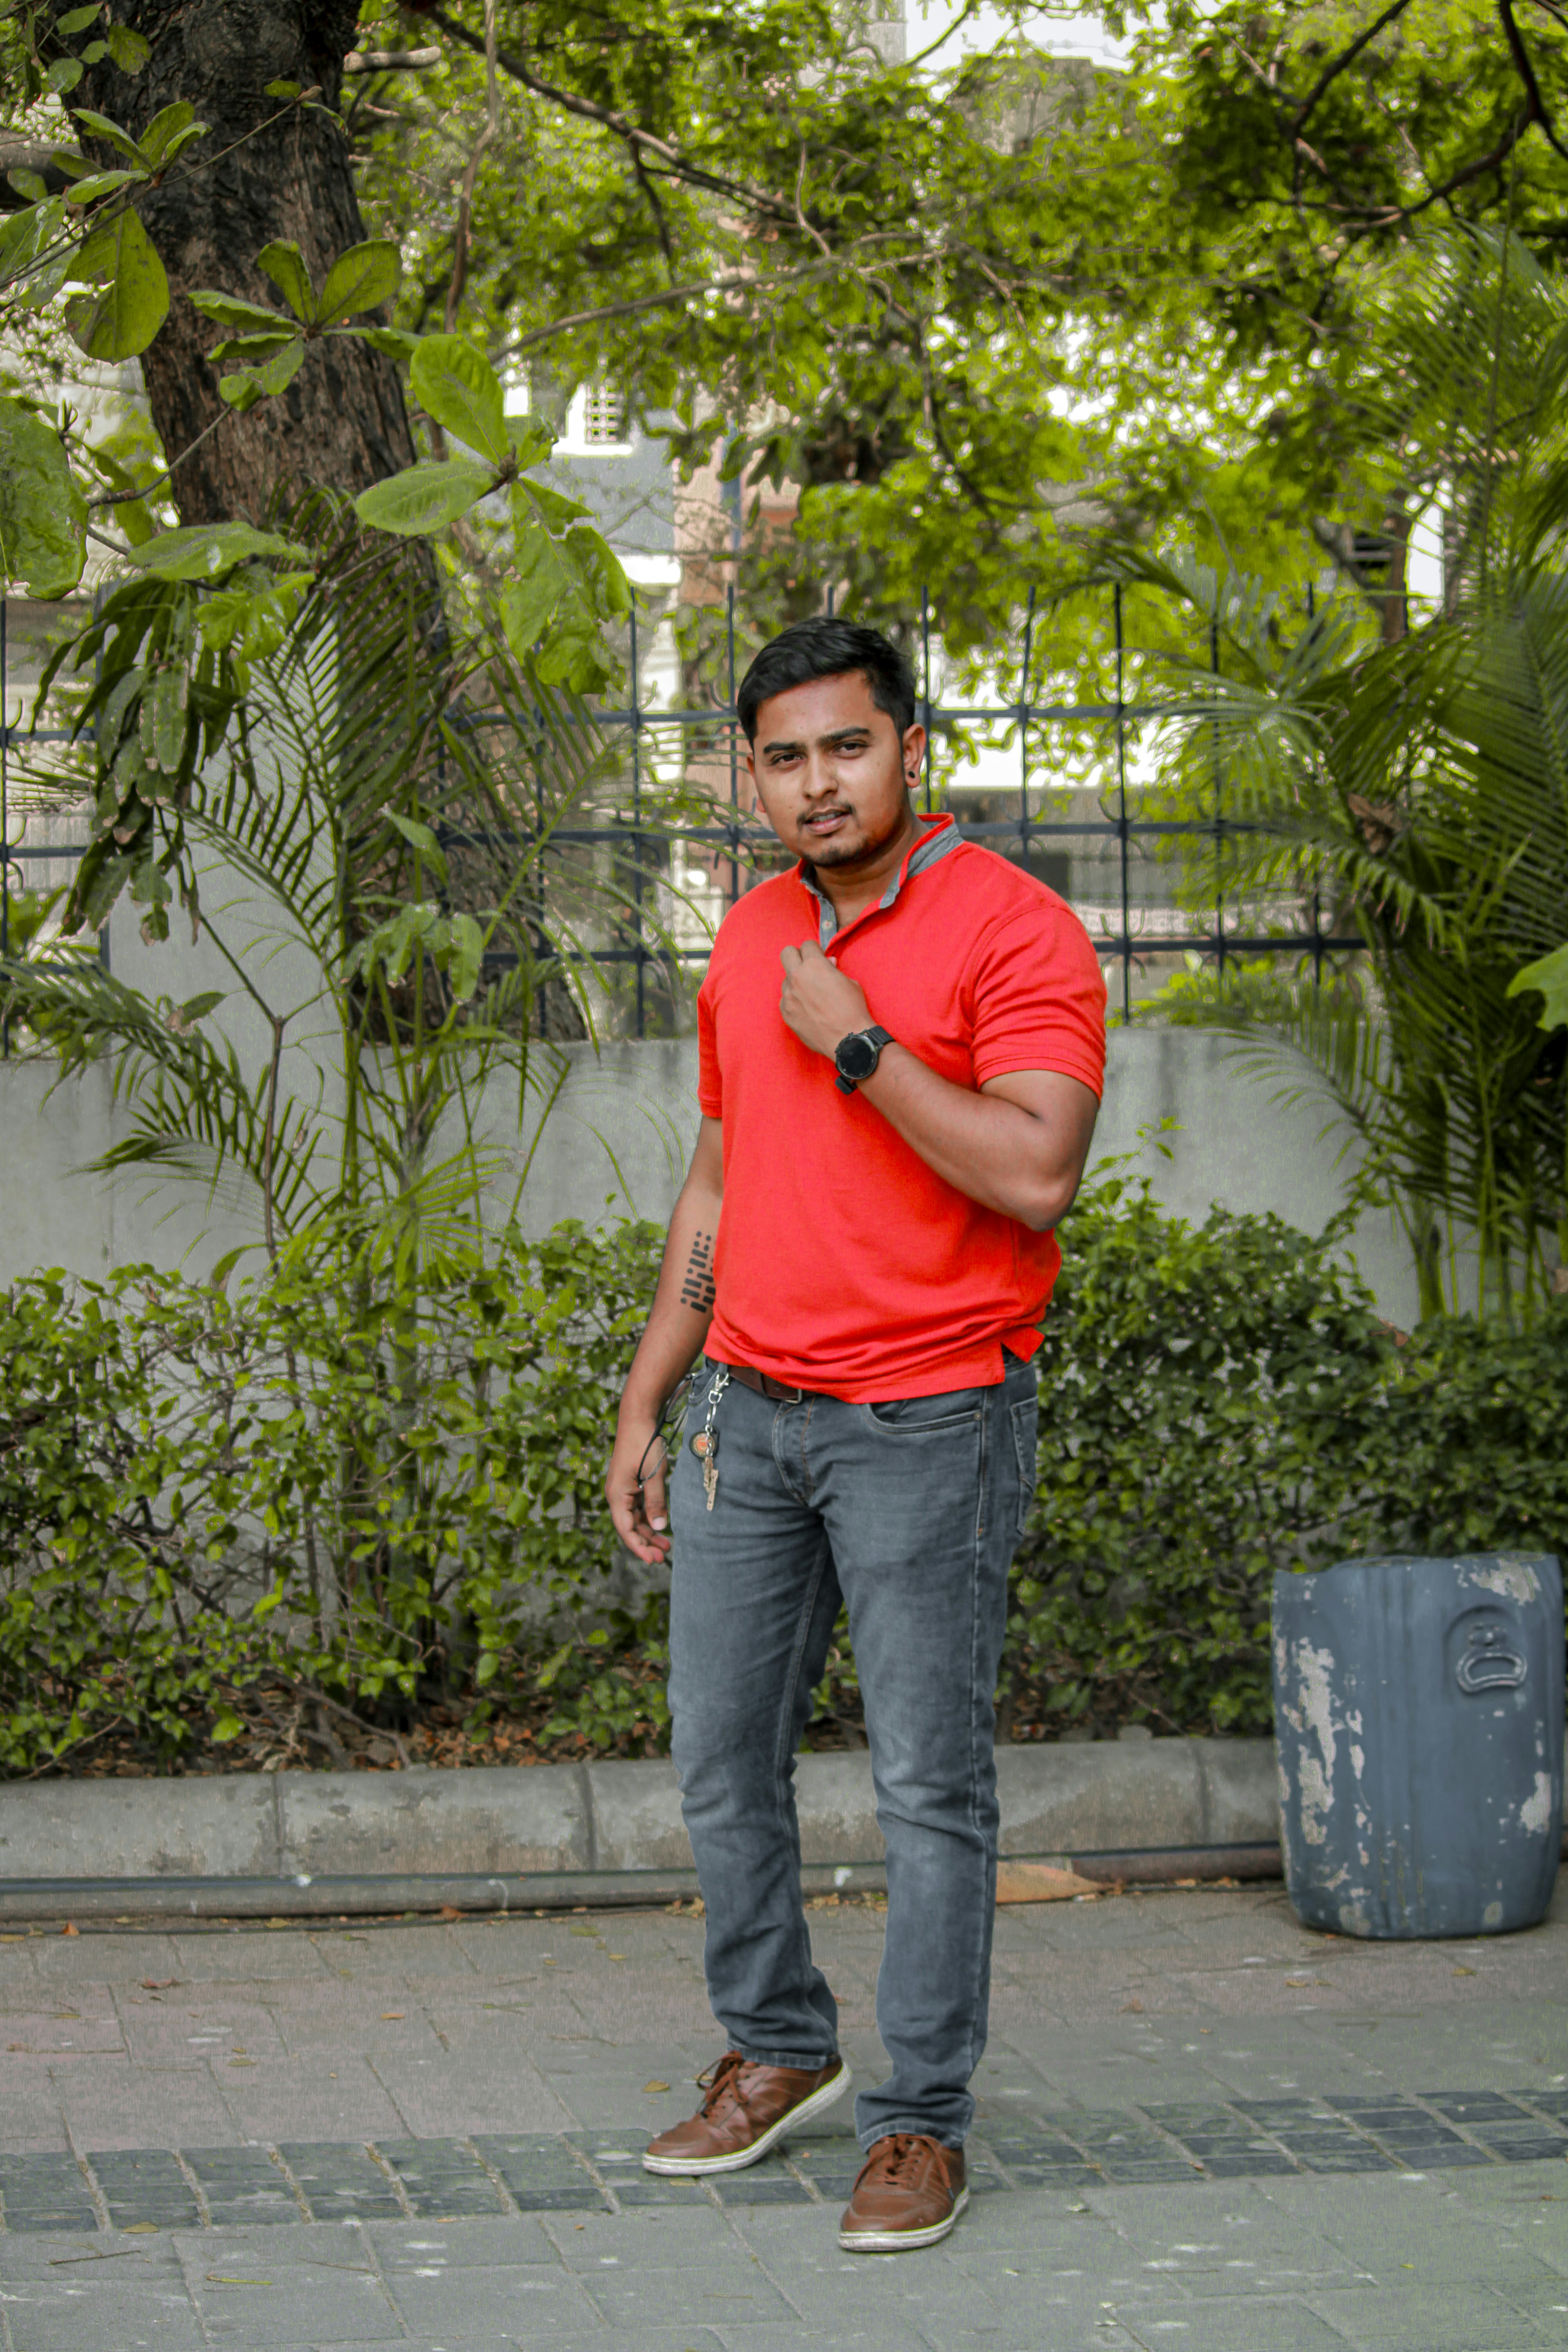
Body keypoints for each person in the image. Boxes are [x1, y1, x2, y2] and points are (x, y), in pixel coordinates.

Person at [605, 616, 1105, 2253]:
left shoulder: (1014, 929)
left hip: (930, 1417)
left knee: (927, 1790)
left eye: (846, 746)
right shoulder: (750, 938)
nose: (817, 783)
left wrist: (862, 1042)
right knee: (717, 1756)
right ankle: (779, 2048)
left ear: (910, 750)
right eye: (783, 756)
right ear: (749, 777)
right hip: (751, 1416)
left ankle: (919, 2124)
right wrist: (648, 1386)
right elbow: (721, 1179)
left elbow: (1034, 1173)